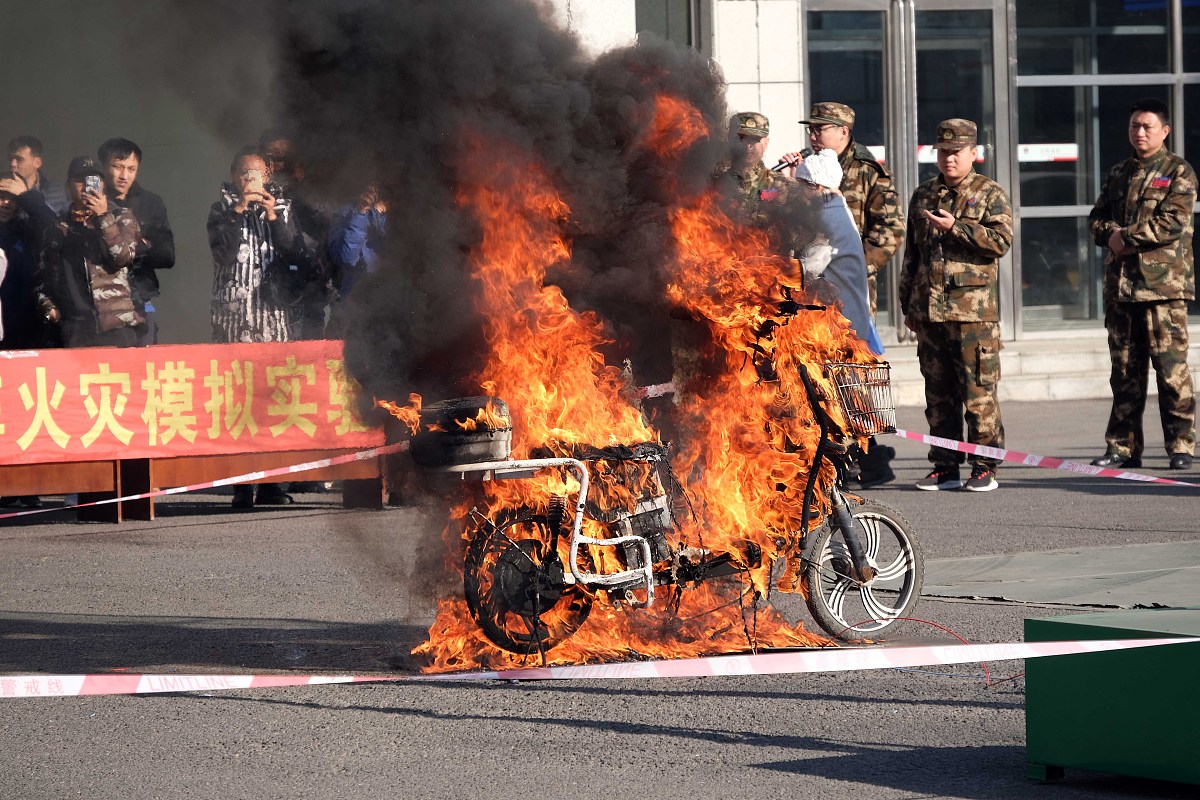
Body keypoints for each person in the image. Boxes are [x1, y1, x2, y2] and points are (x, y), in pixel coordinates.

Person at [784, 102, 904, 487]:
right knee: (850, 398)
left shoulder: (828, 213)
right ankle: (859, 463)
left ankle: (868, 465)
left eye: (803, 187)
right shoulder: (832, 204)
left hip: (844, 322)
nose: (799, 193)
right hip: (844, 318)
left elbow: (808, 265)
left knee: (847, 398)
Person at [898, 119, 1012, 492]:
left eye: (956, 152)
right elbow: (912, 255)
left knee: (978, 392)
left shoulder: (989, 193)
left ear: (973, 153)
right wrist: (908, 304)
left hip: (973, 315)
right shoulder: (923, 195)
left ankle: (985, 464)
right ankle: (945, 465)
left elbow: (1000, 241)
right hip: (930, 313)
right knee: (938, 393)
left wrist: (956, 228)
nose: (949, 159)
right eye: (943, 152)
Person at [1087, 98, 1196, 471]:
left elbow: (1172, 223)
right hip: (1121, 290)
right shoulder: (1119, 172)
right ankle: (1122, 447)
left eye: (1147, 126)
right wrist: (1111, 234)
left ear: (1164, 131)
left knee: (1171, 371)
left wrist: (1126, 237)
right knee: (1124, 372)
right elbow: (1097, 219)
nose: (1140, 132)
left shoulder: (1178, 172)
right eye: (1135, 125)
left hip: (1163, 291)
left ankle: (1180, 445)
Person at [208, 146, 305, 508]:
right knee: (237, 406)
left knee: (273, 404)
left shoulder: (282, 207)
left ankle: (272, 484)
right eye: (244, 174)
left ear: (268, 176)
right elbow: (222, 253)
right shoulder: (220, 209)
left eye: (257, 174)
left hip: (273, 320)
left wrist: (274, 218)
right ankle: (240, 487)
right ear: (234, 177)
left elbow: (296, 253)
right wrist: (237, 211)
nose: (251, 180)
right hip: (234, 322)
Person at [791, 102, 905, 317]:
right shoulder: (808, 166)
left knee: (852, 344)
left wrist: (858, 266)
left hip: (850, 284)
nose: (812, 136)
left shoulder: (868, 171)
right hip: (811, 281)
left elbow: (892, 230)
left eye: (820, 129)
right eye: (810, 130)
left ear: (843, 131)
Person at [36, 157, 143, 348]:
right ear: (69, 186)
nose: (86, 186)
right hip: (75, 328)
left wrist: (103, 217)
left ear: (102, 185)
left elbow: (123, 257)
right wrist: (49, 307)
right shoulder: (56, 228)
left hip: (116, 326)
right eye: (80, 180)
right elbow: (43, 277)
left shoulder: (121, 216)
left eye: (92, 180)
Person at [98, 138, 176, 346]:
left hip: (141, 297)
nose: (124, 176)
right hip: (101, 303)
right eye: (118, 167)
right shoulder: (93, 203)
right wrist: (140, 242)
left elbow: (167, 255)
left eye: (131, 169)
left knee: (145, 361)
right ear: (104, 166)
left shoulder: (151, 203)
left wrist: (127, 248)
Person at [260, 130, 330, 340]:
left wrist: (301, 189)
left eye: (284, 159)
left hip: (308, 280)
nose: (279, 165)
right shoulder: (261, 189)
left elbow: (326, 223)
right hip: (269, 282)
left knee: (308, 344)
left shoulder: (314, 189)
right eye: (272, 159)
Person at [0, 172, 56, 349]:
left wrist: (27, 196)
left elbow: (53, 227)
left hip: (27, 324)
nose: (6, 203)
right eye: (1, 197)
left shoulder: (28, 229)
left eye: (13, 198)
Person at [326, 183, 387, 336]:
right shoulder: (346, 214)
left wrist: (380, 217)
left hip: (389, 298)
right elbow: (345, 257)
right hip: (354, 299)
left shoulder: (406, 214)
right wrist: (361, 212)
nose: (371, 193)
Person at [8, 136, 67, 216]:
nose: (13, 164)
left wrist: (24, 195)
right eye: (10, 158)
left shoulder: (56, 192)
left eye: (19, 159)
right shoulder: (3, 189)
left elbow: (52, 222)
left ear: (37, 163)